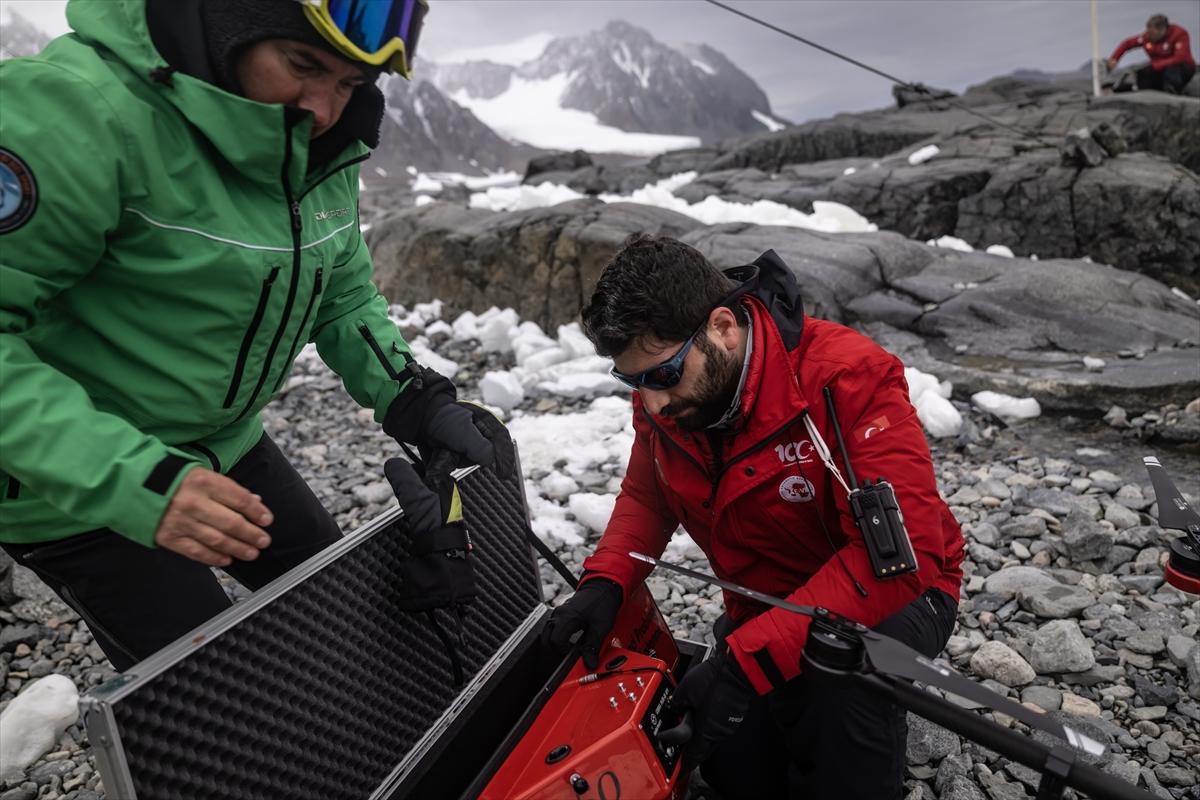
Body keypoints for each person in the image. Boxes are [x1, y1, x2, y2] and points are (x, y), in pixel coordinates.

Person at [0, 0, 495, 673]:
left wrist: (416, 397)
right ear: (225, 22)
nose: (323, 108)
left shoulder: (313, 140)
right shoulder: (76, 115)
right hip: (71, 483)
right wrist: (138, 481)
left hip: (225, 444)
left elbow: (341, 291)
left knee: (347, 618)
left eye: (350, 83)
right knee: (209, 697)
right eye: (302, 65)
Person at [543, 235, 966, 799]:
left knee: (843, 678)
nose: (652, 404)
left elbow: (901, 556)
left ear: (722, 327)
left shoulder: (847, 379)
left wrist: (745, 661)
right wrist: (605, 584)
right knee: (736, 770)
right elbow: (648, 500)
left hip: (899, 596)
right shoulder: (670, 400)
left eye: (662, 375)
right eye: (633, 382)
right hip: (764, 602)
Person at [1107, 13, 1195, 94]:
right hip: (1159, 67)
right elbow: (1127, 44)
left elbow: (1180, 57)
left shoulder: (1179, 34)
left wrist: (1157, 65)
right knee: (1143, 73)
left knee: (1172, 69)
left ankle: (1172, 92)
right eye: (1147, 31)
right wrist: (1114, 58)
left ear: (1162, 30)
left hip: (1182, 68)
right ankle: (1144, 92)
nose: (1148, 35)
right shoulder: (1147, 37)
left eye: (1152, 33)